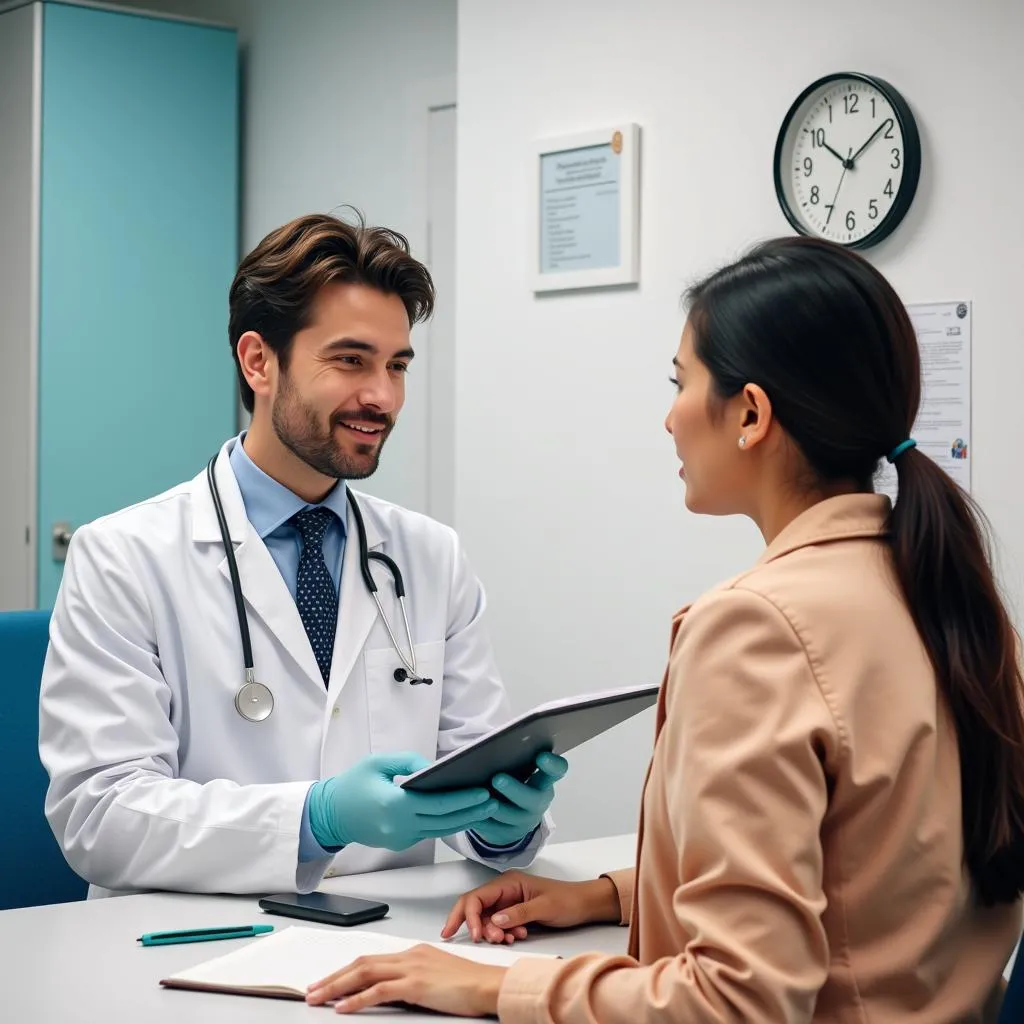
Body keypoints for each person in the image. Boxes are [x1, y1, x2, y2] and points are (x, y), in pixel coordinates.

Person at [305, 238, 1024, 1021]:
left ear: (750, 414)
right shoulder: (943, 590)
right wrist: (610, 896)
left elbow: (739, 999)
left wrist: (489, 985)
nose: (670, 418)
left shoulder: (758, 627)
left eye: (681, 383)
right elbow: (873, 871)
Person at [39, 212, 567, 897]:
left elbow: (469, 765)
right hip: (188, 953)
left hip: (389, 945)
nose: (382, 396)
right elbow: (99, 815)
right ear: (259, 361)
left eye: (397, 366)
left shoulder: (430, 556)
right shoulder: (121, 557)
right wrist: (315, 818)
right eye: (351, 360)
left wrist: (503, 825)